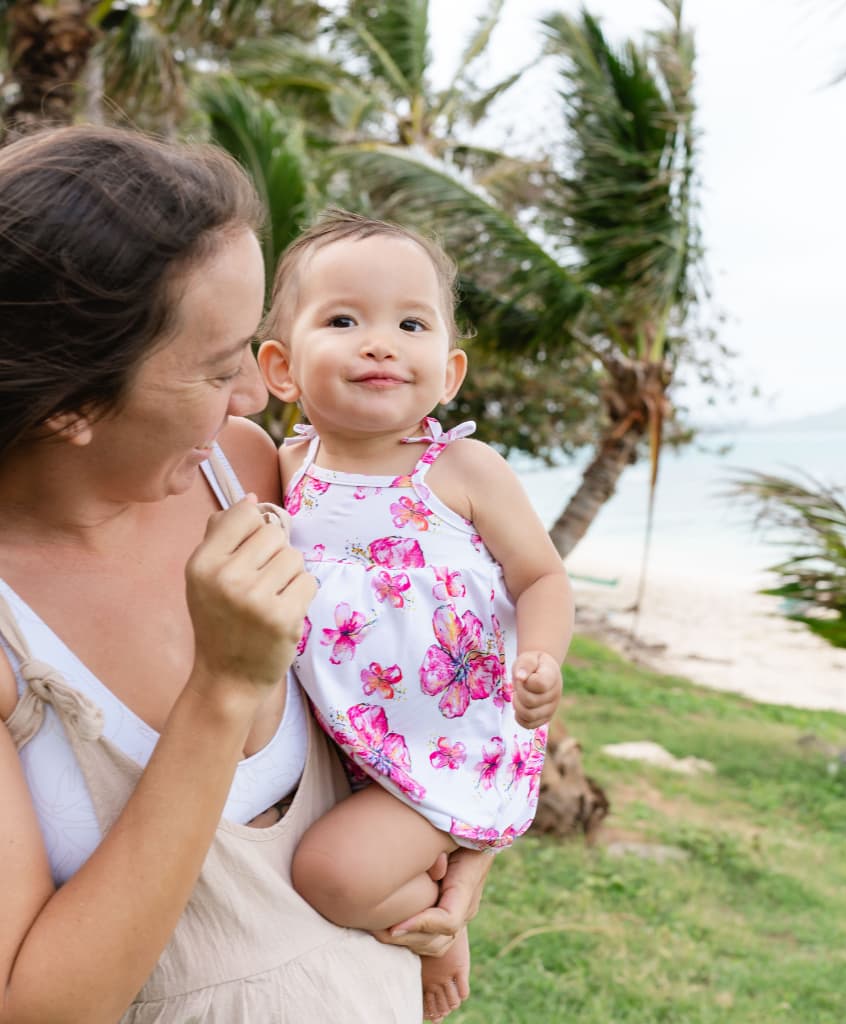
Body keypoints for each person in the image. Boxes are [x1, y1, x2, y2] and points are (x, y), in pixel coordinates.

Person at [0, 126, 491, 1024]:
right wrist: (224, 687)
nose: (257, 397)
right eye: (224, 366)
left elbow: (421, 691)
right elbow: (38, 1010)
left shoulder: (242, 469)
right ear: (73, 404)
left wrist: (466, 840)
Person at [256, 209, 575, 1020]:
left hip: (452, 739)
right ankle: (448, 874)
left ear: (450, 372)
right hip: (345, 739)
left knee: (329, 875)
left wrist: (541, 658)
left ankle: (434, 923)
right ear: (282, 368)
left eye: (409, 322)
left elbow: (540, 577)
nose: (379, 342)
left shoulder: (462, 470)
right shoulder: (284, 472)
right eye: (343, 320)